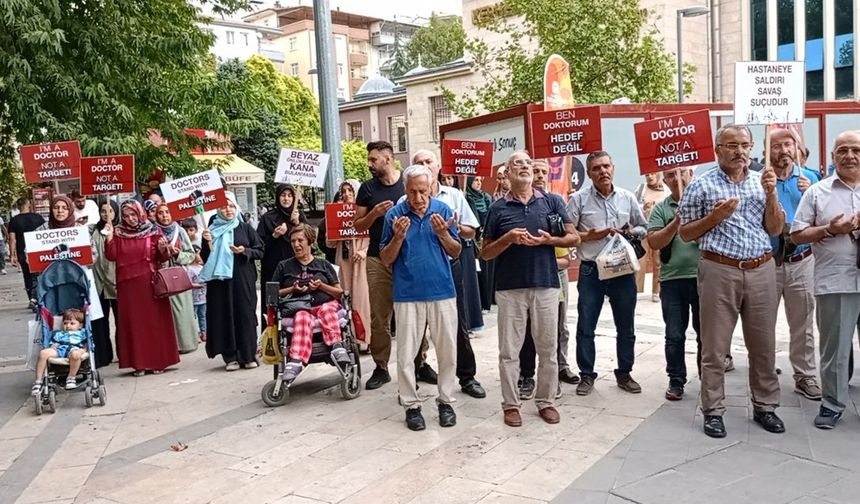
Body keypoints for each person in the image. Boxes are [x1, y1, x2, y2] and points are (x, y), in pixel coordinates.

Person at [679, 125, 785, 438]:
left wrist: (771, 193)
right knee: (714, 347)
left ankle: (765, 405)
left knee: (763, 345)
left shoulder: (761, 181)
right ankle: (713, 410)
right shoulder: (701, 185)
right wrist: (714, 218)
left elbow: (776, 229)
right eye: (731, 145)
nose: (739, 151)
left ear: (752, 147)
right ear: (717, 149)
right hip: (719, 270)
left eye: (744, 145)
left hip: (761, 269)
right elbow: (685, 233)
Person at [481, 151, 580, 427]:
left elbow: (575, 237)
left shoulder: (552, 202)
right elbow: (485, 253)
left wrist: (551, 240)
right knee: (509, 351)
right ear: (508, 173)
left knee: (548, 347)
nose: (524, 168)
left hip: (546, 285)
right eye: (517, 164)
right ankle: (511, 404)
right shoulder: (497, 209)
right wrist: (508, 239)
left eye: (527, 164)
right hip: (509, 288)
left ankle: (546, 401)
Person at [380, 164, 462, 431]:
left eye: (423, 191)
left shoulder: (443, 211)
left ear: (431, 189)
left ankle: (446, 401)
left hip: (442, 290)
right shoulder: (394, 215)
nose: (418, 198)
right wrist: (398, 237)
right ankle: (411, 405)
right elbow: (385, 259)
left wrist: (443, 234)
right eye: (413, 192)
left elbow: (456, 252)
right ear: (405, 189)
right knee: (405, 354)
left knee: (447, 350)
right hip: (407, 294)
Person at [791, 130, 860, 429]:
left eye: (856, 149)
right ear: (832, 157)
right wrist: (830, 230)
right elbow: (796, 235)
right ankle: (832, 404)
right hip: (836, 280)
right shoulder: (817, 192)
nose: (849, 156)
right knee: (835, 347)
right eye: (842, 150)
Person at [355, 140, 435, 390]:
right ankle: (381, 366)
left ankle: (420, 362)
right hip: (378, 259)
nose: (369, 164)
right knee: (379, 316)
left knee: (417, 313)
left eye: (373, 160)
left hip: (408, 260)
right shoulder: (367, 189)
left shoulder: (408, 183)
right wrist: (374, 214)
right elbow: (357, 225)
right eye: (369, 160)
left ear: (388, 159)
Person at [567, 151, 648, 396]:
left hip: (622, 270)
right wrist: (590, 235)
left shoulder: (627, 198)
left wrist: (631, 231)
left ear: (613, 168)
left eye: (606, 166)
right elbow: (568, 233)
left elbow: (643, 227)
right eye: (596, 168)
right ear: (589, 173)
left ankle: (624, 373)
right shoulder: (579, 200)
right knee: (586, 325)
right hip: (591, 271)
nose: (602, 171)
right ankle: (587, 375)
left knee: (626, 326)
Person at [411, 150, 486, 399]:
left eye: (428, 162)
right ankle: (412, 379)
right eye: (419, 163)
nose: (425, 166)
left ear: (438, 166)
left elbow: (471, 232)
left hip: (450, 266)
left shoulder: (453, 195)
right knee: (415, 328)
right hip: (417, 271)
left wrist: (452, 226)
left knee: (458, 323)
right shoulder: (405, 202)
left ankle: (467, 377)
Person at [767, 127, 822, 400]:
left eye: (788, 144)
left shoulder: (812, 179)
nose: (783, 150)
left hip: (802, 259)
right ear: (768, 150)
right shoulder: (761, 179)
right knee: (762, 320)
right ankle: (764, 369)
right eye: (776, 146)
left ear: (797, 148)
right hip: (768, 261)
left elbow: (825, 218)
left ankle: (804, 374)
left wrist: (811, 191)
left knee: (802, 322)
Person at [519, 159, 579, 397]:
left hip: (554, 277)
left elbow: (569, 246)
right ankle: (527, 375)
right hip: (527, 279)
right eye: (536, 171)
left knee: (557, 326)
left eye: (544, 171)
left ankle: (558, 369)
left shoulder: (555, 204)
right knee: (527, 331)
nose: (541, 175)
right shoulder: (519, 207)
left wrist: (547, 248)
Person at [105, 200, 180, 376]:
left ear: (140, 214)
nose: (130, 219)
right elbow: (111, 255)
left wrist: (164, 249)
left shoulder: (153, 230)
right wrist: (108, 237)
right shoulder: (118, 232)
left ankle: (158, 361)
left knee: (154, 323)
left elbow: (162, 257)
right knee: (134, 324)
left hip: (150, 283)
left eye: (133, 214)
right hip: (128, 287)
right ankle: (138, 363)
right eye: (126, 216)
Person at [646, 168, 702, 401]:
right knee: (675, 334)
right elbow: (654, 241)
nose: (675, 178)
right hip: (672, 280)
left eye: (679, 173)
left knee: (707, 334)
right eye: (669, 175)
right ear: (665, 180)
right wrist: (676, 222)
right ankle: (676, 380)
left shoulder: (703, 203)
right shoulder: (660, 208)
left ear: (690, 174)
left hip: (703, 278)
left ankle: (708, 379)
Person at [274, 224, 351, 381]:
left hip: (326, 305)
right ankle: (296, 361)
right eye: (293, 241)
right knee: (302, 316)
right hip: (300, 307)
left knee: (327, 310)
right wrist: (291, 289)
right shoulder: (284, 266)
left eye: (300, 240)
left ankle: (336, 345)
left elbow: (339, 293)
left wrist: (321, 286)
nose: (296, 244)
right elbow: (273, 293)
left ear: (310, 242)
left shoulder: (324, 265)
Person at [201, 192, 264, 371]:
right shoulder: (210, 230)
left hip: (243, 279)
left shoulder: (245, 228)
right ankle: (230, 357)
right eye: (223, 207)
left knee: (245, 315)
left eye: (230, 206)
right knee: (224, 315)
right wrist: (207, 243)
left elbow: (260, 250)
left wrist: (245, 251)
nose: (227, 210)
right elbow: (205, 258)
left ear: (236, 207)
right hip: (220, 283)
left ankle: (248, 355)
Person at [325, 180, 371, 351]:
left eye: (350, 190)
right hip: (343, 260)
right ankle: (347, 338)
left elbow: (372, 235)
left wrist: (364, 251)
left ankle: (364, 339)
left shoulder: (365, 211)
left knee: (361, 299)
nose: (347, 194)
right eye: (343, 191)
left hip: (360, 261)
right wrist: (333, 225)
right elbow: (329, 244)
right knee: (344, 298)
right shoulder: (337, 213)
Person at [257, 184, 306, 329]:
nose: (286, 198)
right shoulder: (268, 218)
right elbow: (259, 246)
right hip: (272, 268)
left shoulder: (298, 215)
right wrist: (275, 235)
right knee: (272, 304)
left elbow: (310, 240)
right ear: (278, 197)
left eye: (290, 195)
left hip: (295, 267)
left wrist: (297, 223)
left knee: (297, 302)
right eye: (283, 195)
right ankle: (269, 340)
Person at [155, 204, 199, 354]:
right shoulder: (153, 232)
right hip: (161, 276)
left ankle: (186, 344)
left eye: (167, 212)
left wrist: (177, 254)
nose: (164, 216)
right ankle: (169, 345)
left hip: (178, 275)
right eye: (160, 213)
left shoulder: (179, 231)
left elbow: (191, 254)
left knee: (182, 311)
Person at [90, 200, 119, 368]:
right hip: (98, 282)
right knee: (100, 322)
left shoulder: (121, 230)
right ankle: (103, 355)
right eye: (103, 211)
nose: (107, 215)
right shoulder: (92, 229)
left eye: (110, 211)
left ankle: (124, 354)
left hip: (116, 282)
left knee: (121, 321)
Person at [32, 308, 88, 393]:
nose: (68, 326)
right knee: (43, 353)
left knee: (76, 355)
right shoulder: (59, 333)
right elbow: (53, 344)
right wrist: (51, 349)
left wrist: (83, 350)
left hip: (75, 348)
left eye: (72, 323)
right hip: (60, 348)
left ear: (80, 325)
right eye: (65, 323)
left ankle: (71, 377)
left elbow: (86, 345)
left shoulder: (82, 333)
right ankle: (38, 381)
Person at [634, 173, 670, 301]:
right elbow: (633, 208)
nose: (650, 176)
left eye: (653, 174)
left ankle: (656, 291)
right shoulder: (641, 188)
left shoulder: (666, 190)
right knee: (639, 259)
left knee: (658, 261)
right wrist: (643, 208)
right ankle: (637, 289)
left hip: (659, 229)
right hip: (644, 229)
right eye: (647, 174)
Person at [8, 197, 45, 305]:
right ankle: (40, 297)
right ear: (29, 204)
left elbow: (12, 239)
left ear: (19, 207)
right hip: (38, 251)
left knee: (27, 275)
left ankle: (31, 298)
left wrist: (12, 255)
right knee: (40, 274)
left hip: (22, 252)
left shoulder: (14, 220)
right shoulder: (38, 218)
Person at [465, 176, 494, 310]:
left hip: (486, 237)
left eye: (480, 180)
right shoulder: (466, 198)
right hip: (475, 239)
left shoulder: (486, 198)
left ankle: (487, 300)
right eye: (475, 180)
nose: (478, 183)